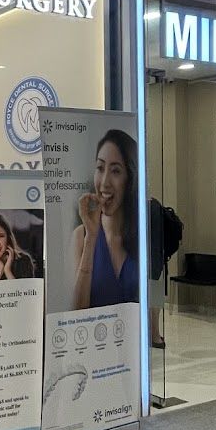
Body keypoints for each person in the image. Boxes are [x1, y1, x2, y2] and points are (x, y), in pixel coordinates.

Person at [72, 129, 139, 309]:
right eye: (100, 168)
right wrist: (91, 238)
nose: (104, 183)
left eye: (116, 171)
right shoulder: (81, 236)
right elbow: (77, 312)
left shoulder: (143, 236)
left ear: (130, 178)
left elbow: (152, 302)